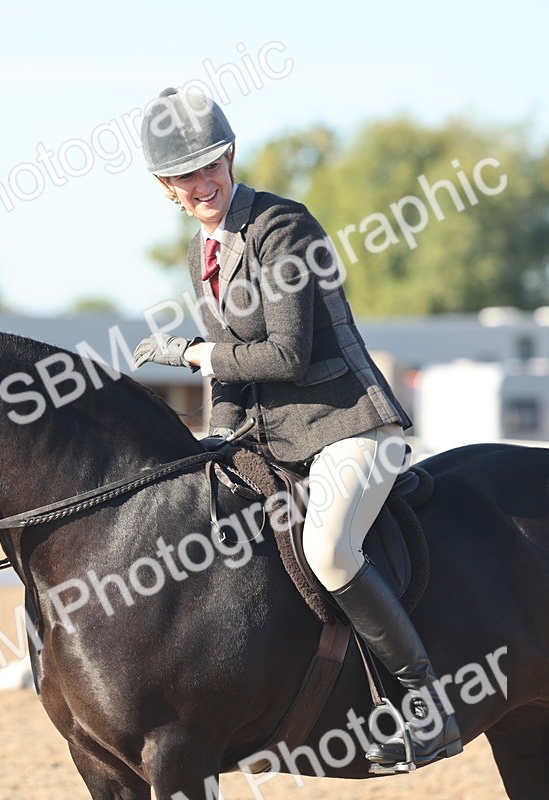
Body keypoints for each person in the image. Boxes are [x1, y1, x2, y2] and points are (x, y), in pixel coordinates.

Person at [130, 87, 462, 769]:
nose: (202, 183)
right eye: (185, 175)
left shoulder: (282, 226)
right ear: (165, 187)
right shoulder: (202, 253)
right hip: (274, 440)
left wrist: (191, 353)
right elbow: (234, 373)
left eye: (211, 164)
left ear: (230, 157)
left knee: (330, 552)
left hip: (348, 425)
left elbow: (285, 355)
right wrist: (215, 443)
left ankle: (427, 705)